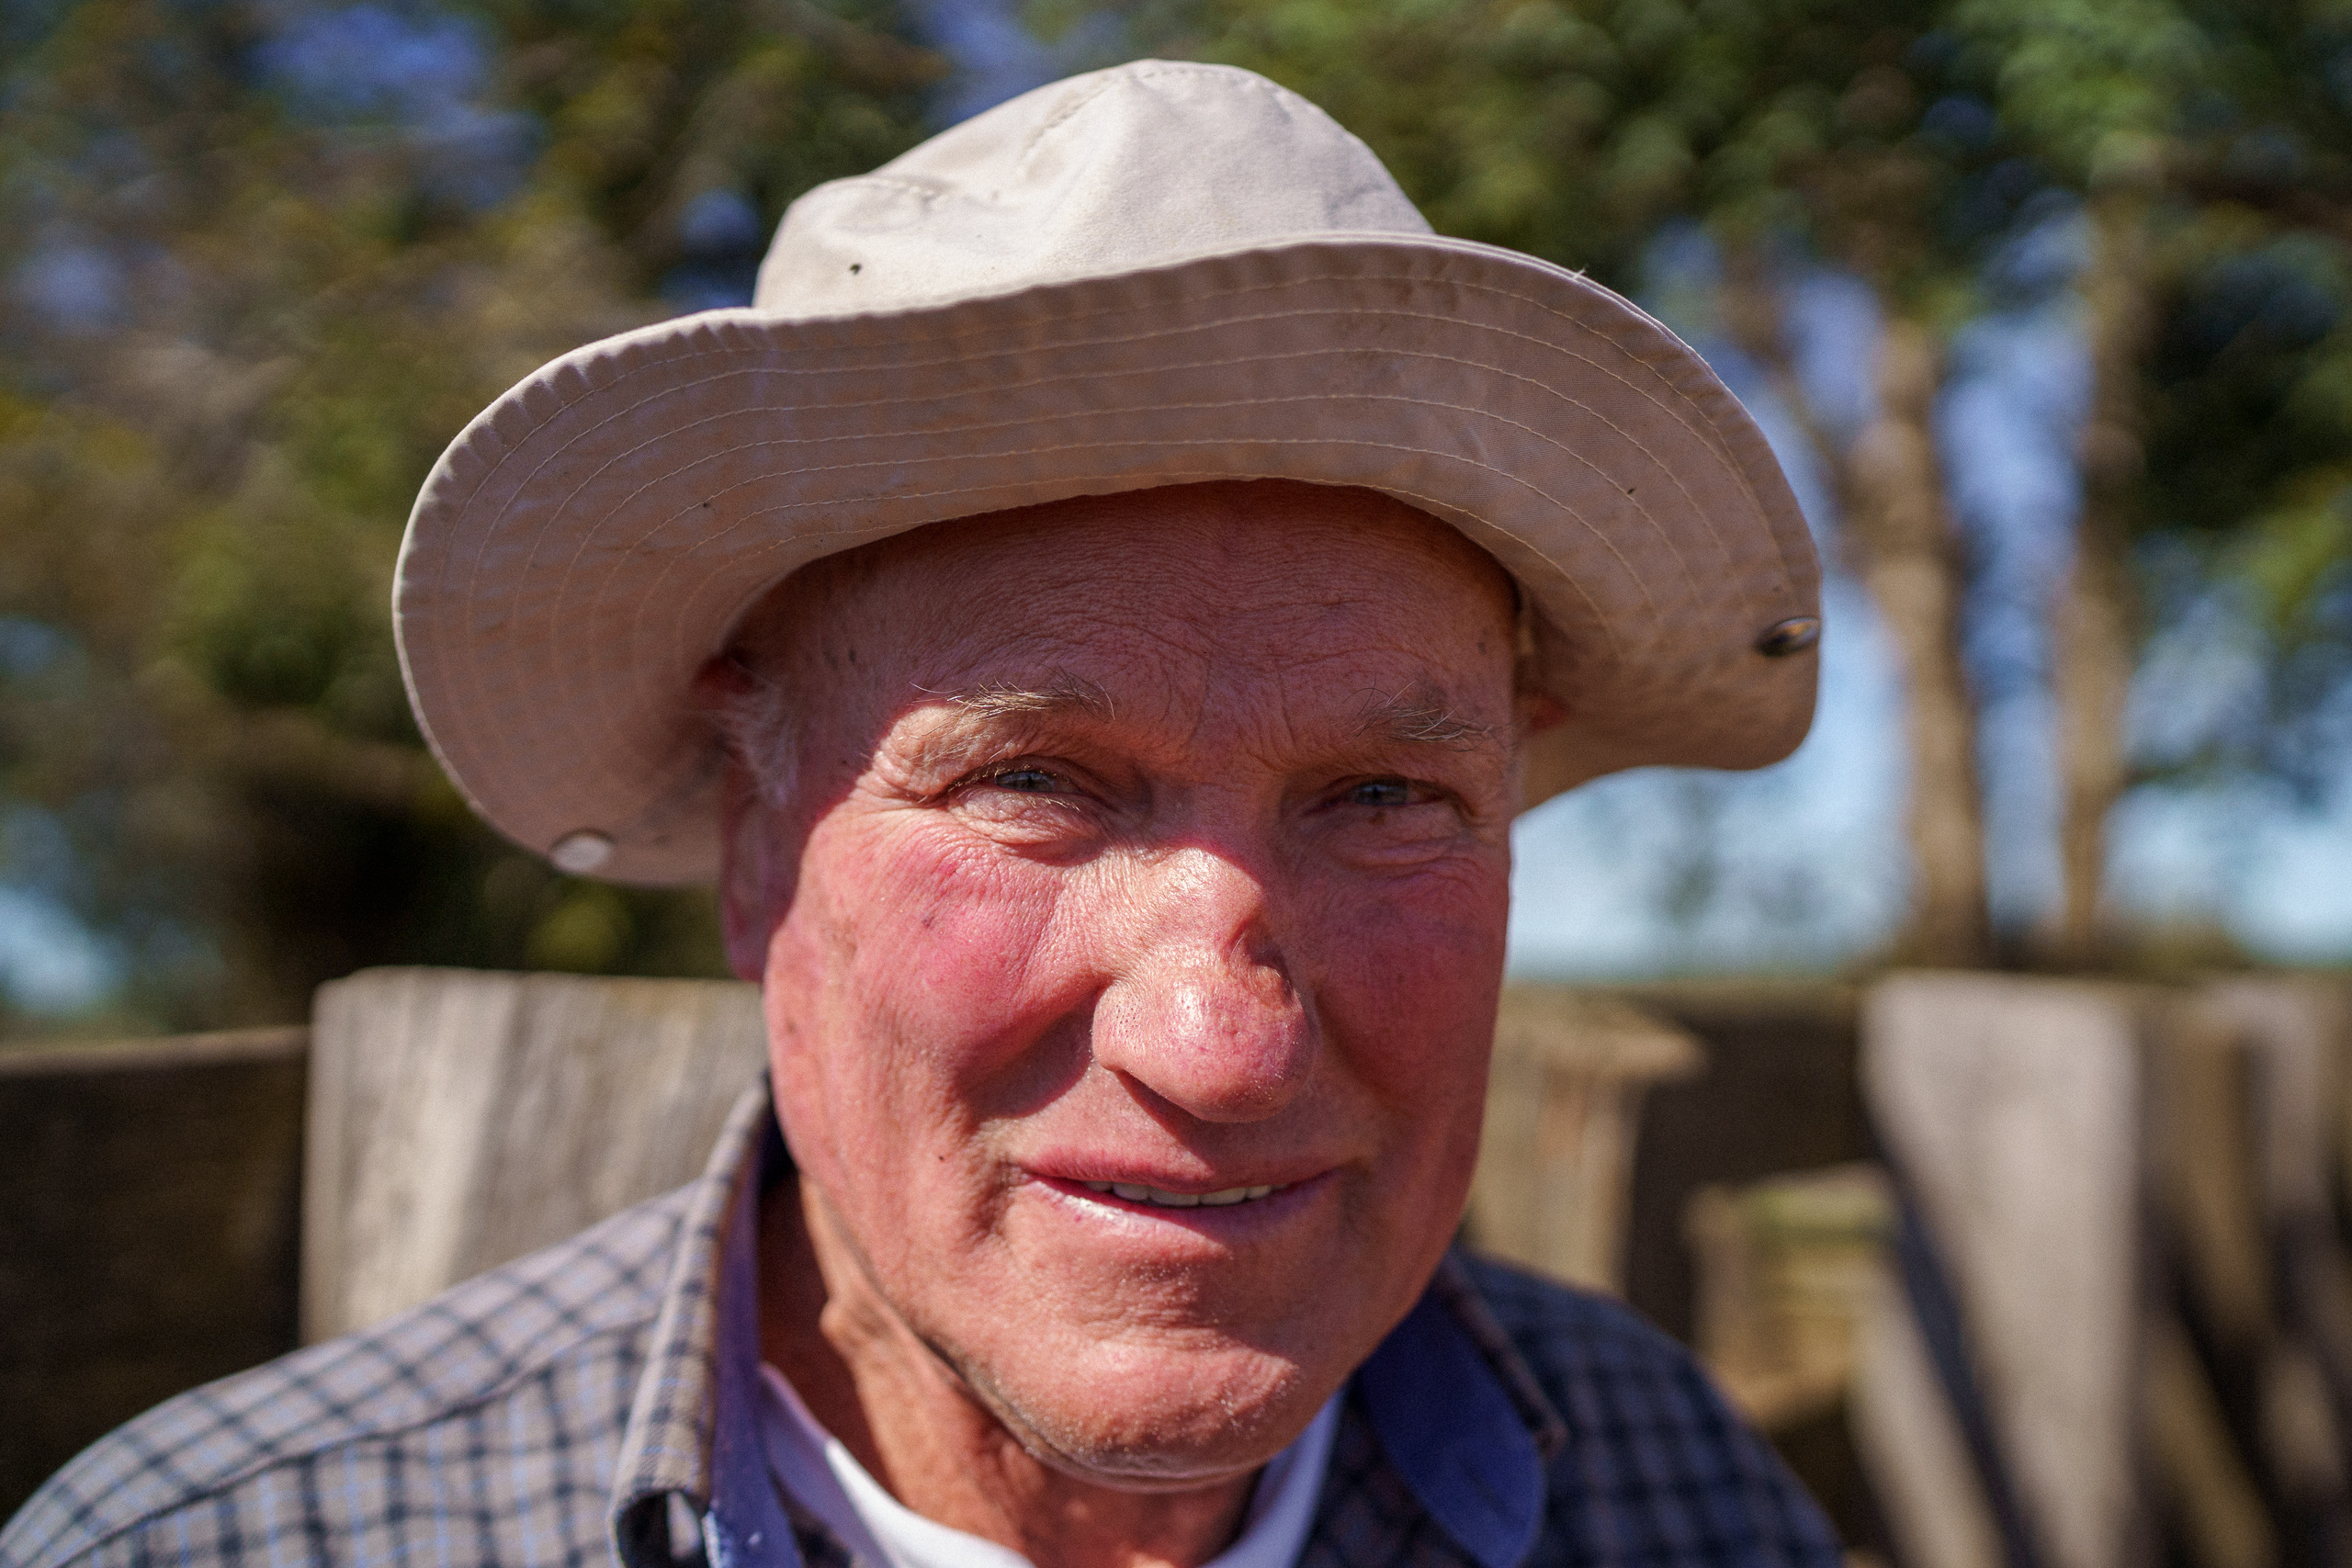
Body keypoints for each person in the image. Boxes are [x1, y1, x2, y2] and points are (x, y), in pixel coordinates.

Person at [1, 60, 1836, 1568]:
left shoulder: (1671, 1486)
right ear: (754, 851)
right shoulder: (245, 1542)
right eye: (1031, 783)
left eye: (1383, 796)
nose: (1221, 1041)